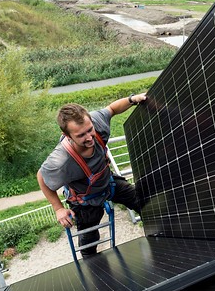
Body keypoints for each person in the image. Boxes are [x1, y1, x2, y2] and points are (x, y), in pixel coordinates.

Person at [37, 94, 146, 256]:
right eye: (81, 135)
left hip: (109, 184)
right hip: (85, 201)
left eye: (90, 130)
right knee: (89, 242)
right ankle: (94, 269)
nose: (89, 138)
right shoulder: (61, 160)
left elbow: (112, 109)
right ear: (68, 136)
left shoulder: (96, 122)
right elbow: (41, 177)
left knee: (144, 203)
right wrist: (58, 208)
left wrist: (132, 99)